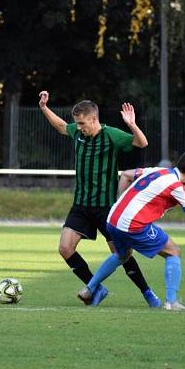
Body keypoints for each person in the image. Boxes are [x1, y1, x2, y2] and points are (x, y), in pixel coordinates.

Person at [77, 151, 185, 311]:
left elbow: (127, 174)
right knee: (173, 251)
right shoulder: (176, 186)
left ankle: (89, 289)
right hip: (132, 224)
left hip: (112, 218)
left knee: (122, 255)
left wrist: (122, 201)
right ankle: (171, 302)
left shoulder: (159, 171)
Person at [38, 91, 160, 307]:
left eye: (83, 123)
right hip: (81, 206)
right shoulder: (77, 132)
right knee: (65, 248)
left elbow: (141, 143)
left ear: (94, 119)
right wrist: (44, 108)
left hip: (107, 209)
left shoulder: (111, 135)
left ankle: (148, 293)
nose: (79, 127)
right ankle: (96, 289)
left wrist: (131, 124)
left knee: (122, 254)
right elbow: (60, 126)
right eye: (77, 123)